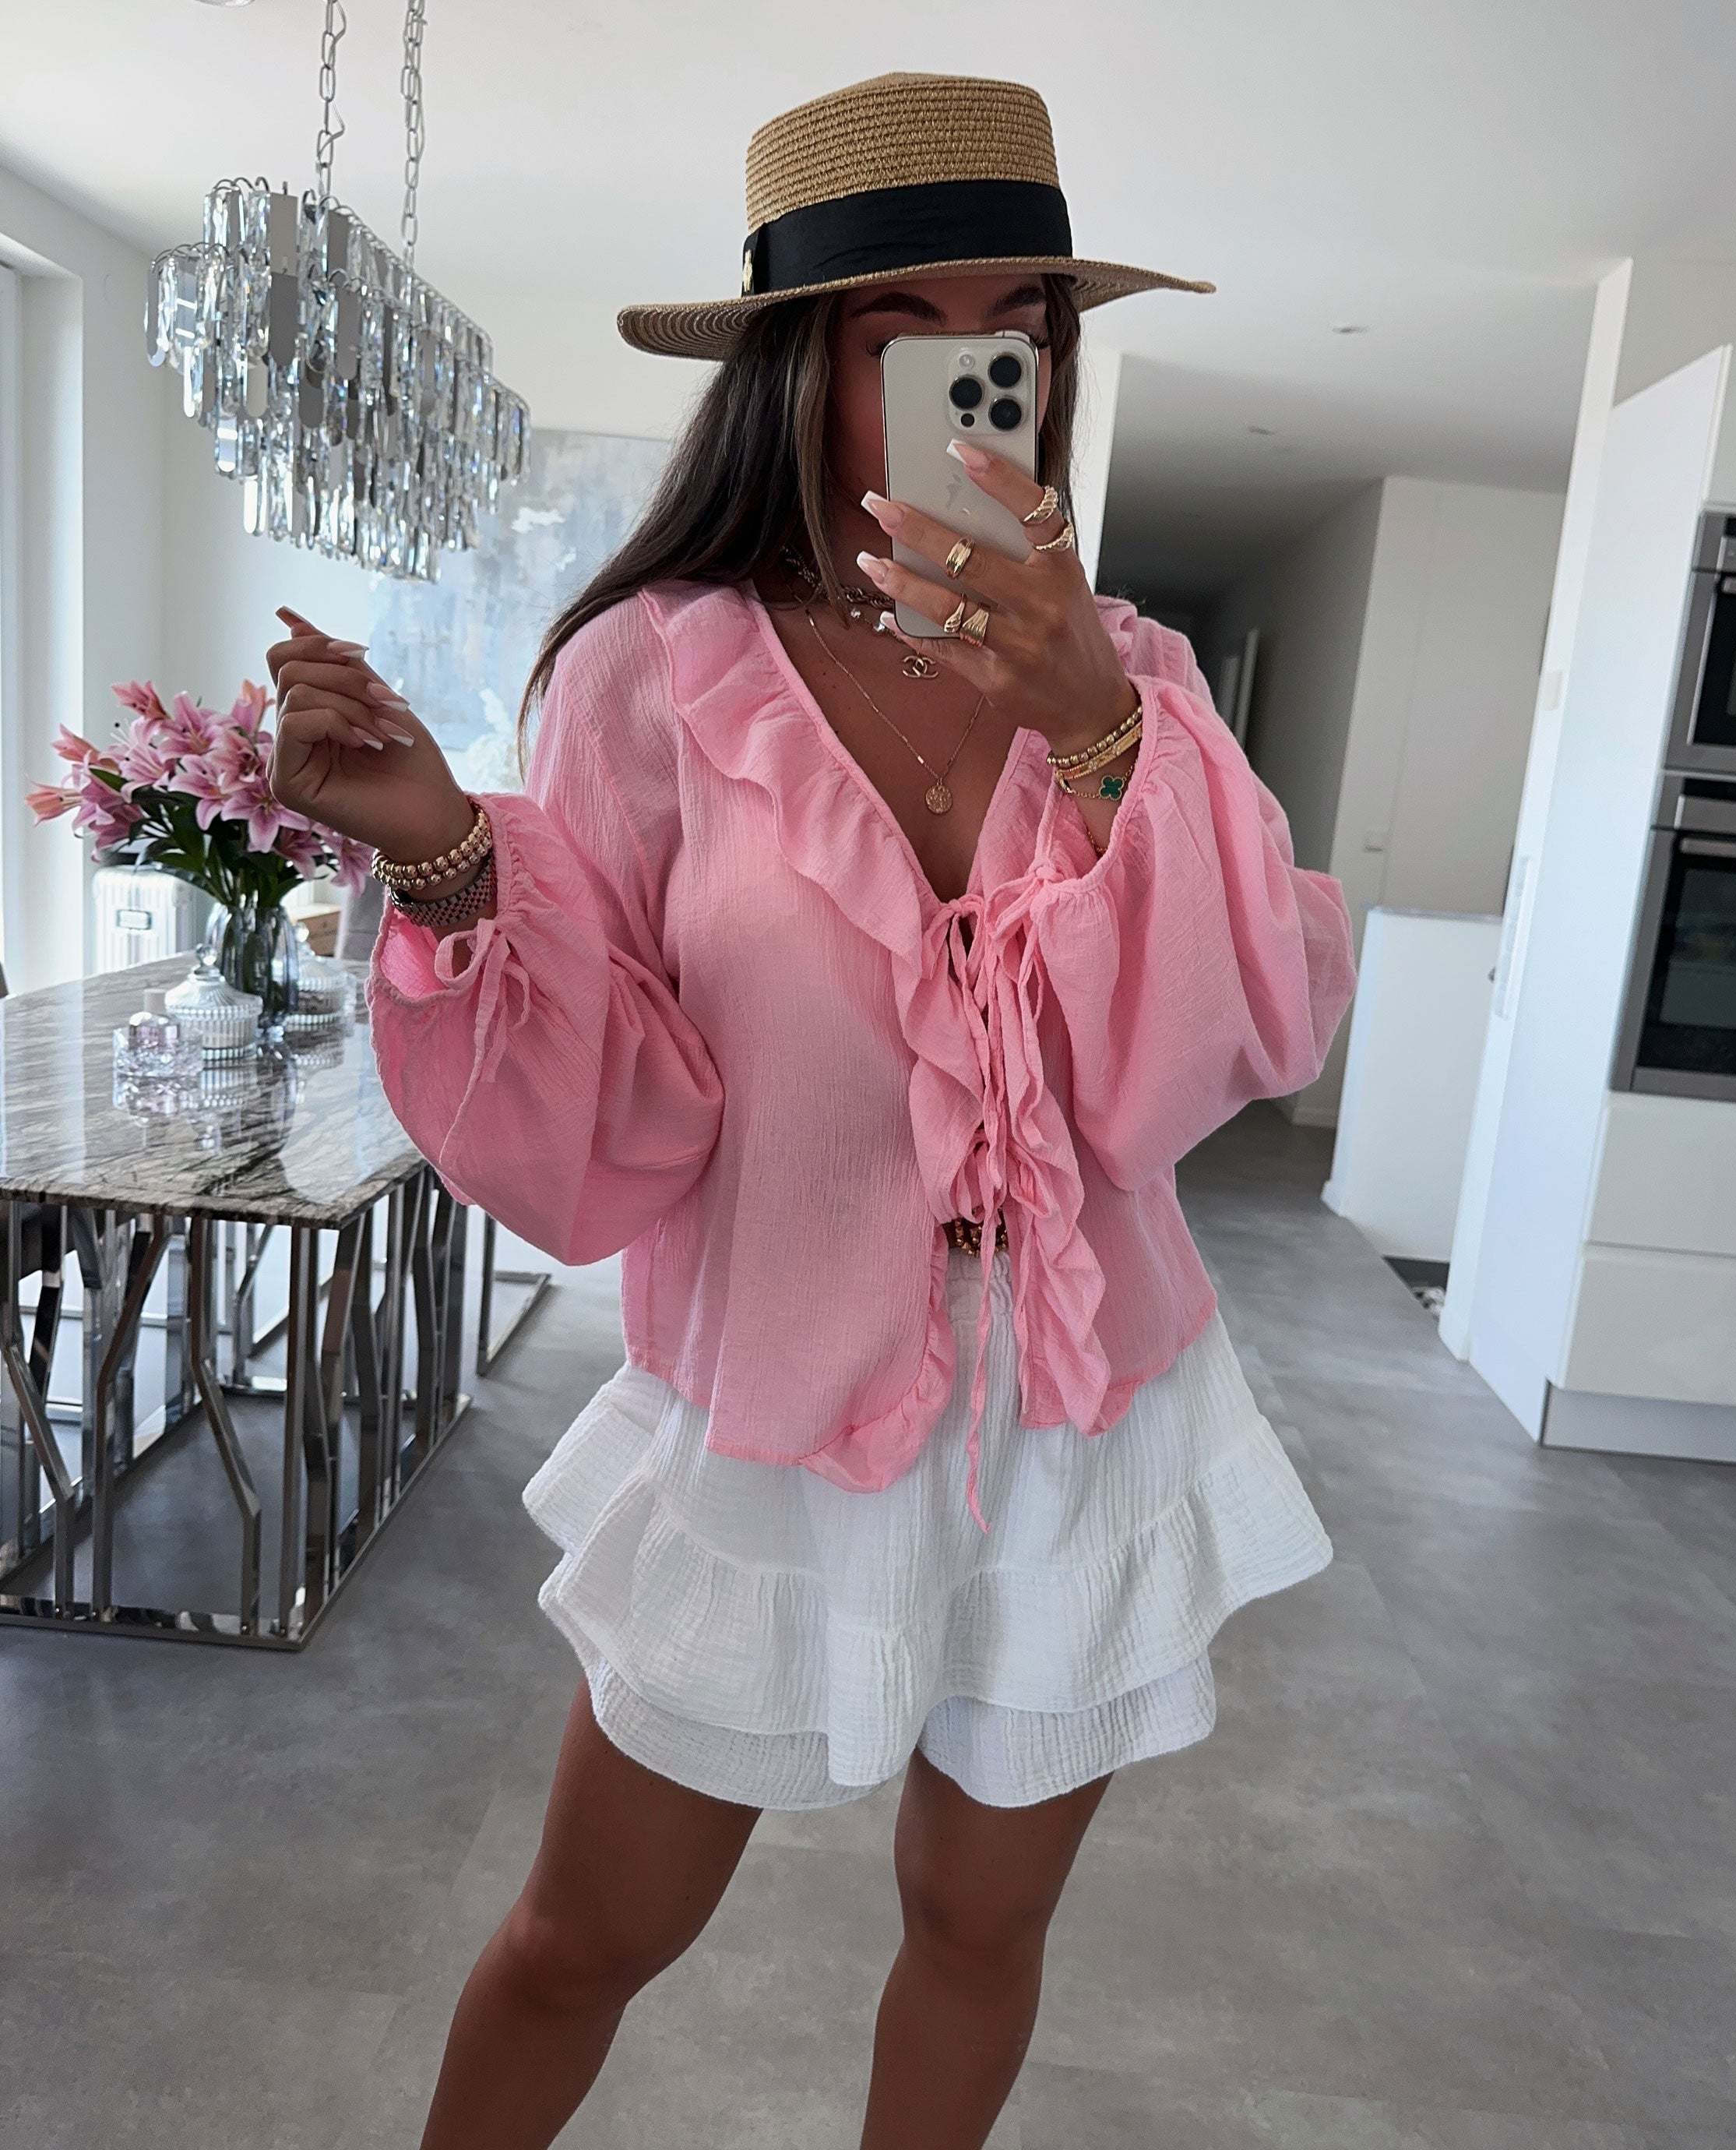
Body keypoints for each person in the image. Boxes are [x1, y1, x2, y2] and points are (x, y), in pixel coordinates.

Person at [268, 72, 1355, 2150]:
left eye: (1021, 322)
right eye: (906, 331)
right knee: (584, 1937)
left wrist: (1097, 730)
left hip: (1079, 1407)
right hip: (777, 1400)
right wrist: (444, 856)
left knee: (979, 1926)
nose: (984, 370)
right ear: (796, 366)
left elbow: (1220, 1043)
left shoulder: (1133, 672)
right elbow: (623, 1107)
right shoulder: (653, 676)